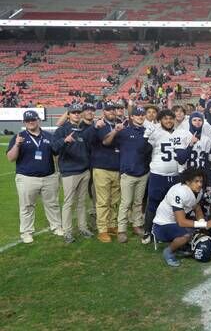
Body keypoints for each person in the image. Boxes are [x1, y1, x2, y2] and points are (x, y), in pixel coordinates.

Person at [6, 110, 63, 243]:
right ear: (24, 122)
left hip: (49, 176)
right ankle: (26, 232)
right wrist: (17, 144)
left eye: (33, 119)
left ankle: (56, 226)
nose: (30, 122)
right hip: (27, 177)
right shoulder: (18, 137)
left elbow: (56, 154)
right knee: (27, 206)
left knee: (52, 204)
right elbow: (10, 158)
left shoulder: (49, 136)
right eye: (27, 120)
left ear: (38, 120)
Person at [142, 109, 192, 244]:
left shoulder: (181, 132)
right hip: (158, 175)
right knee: (153, 204)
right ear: (160, 120)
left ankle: (173, 231)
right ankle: (147, 231)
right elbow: (144, 150)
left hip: (175, 176)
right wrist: (146, 137)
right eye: (165, 118)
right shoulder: (155, 132)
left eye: (171, 118)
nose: (168, 121)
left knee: (175, 205)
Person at [103, 105, 149, 243]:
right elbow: (106, 142)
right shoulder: (124, 131)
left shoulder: (148, 131)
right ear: (132, 117)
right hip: (128, 173)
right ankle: (122, 229)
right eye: (138, 115)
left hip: (143, 172)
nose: (140, 117)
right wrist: (114, 132)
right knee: (126, 202)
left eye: (142, 115)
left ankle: (137, 225)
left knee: (138, 202)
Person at [152, 167, 211, 267]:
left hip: (174, 223)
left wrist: (202, 223)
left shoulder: (197, 191)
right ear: (188, 181)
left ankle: (180, 247)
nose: (200, 184)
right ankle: (168, 252)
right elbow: (181, 222)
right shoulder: (179, 192)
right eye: (196, 181)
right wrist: (204, 224)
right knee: (186, 235)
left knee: (198, 228)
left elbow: (197, 207)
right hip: (161, 226)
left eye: (201, 181)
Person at [52, 103, 94, 243]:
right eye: (73, 112)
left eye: (78, 112)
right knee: (69, 203)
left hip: (84, 170)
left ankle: (83, 227)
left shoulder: (83, 129)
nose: (76, 114)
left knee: (82, 202)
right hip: (69, 172)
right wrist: (65, 140)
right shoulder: (62, 130)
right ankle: (68, 231)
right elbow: (54, 149)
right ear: (68, 114)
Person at [91, 101, 123, 243]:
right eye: (109, 110)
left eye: (114, 110)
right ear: (104, 112)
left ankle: (111, 225)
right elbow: (106, 142)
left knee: (115, 201)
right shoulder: (101, 125)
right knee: (103, 201)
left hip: (116, 167)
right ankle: (102, 229)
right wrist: (116, 131)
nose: (112, 112)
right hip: (102, 168)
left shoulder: (118, 123)